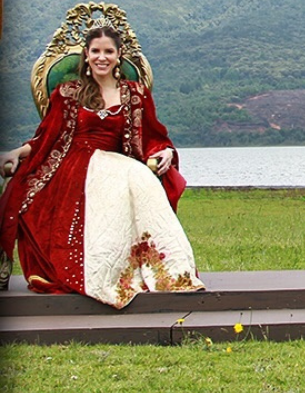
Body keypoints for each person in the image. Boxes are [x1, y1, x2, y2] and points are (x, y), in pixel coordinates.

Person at [0, 23, 205, 308]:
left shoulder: (135, 94)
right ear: (86, 54)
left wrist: (167, 151)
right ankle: (96, 269)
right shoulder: (68, 93)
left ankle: (169, 274)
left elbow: (153, 136)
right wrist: (17, 151)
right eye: (95, 51)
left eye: (108, 51)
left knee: (140, 181)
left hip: (119, 162)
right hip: (73, 165)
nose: (102, 57)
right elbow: (46, 136)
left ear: (119, 55)